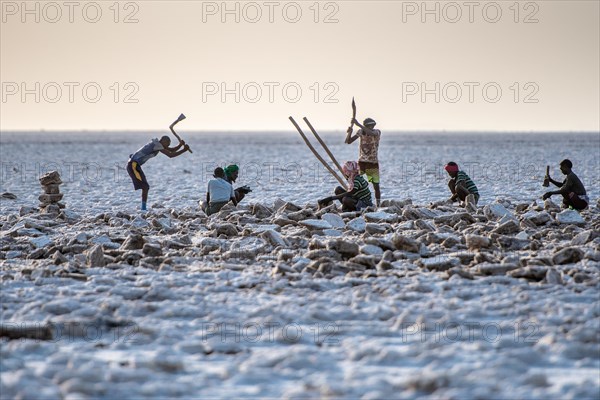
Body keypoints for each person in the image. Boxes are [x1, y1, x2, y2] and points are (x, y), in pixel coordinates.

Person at [127, 135, 189, 211]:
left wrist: (180, 145)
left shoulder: (157, 144)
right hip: (133, 165)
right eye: (167, 144)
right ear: (163, 141)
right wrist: (184, 150)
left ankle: (143, 208)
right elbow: (170, 155)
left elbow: (171, 150)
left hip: (135, 165)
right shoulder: (157, 145)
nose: (168, 146)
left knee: (145, 187)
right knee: (145, 187)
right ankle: (143, 209)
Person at [345, 117, 382, 207]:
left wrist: (358, 124)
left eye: (371, 126)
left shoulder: (377, 132)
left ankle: (378, 204)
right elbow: (348, 141)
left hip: (372, 163)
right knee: (355, 181)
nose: (370, 127)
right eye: (368, 126)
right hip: (361, 162)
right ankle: (355, 200)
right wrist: (349, 132)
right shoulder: (361, 132)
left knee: (375, 185)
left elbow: (371, 133)